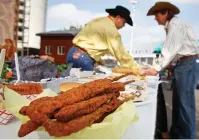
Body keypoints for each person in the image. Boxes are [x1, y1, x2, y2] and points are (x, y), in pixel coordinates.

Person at [146, 2, 199, 139]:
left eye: (156, 14)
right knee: (179, 104)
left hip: (187, 65)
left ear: (165, 13)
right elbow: (175, 51)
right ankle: (177, 135)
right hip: (183, 65)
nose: (155, 18)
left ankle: (187, 137)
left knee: (185, 105)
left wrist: (155, 68)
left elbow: (169, 50)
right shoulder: (174, 25)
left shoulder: (175, 25)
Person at [67, 5, 144, 75]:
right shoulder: (111, 30)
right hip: (83, 59)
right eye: (124, 22)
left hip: (73, 53)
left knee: (72, 82)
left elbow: (91, 44)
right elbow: (121, 54)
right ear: (118, 18)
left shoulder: (98, 20)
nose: (123, 26)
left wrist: (99, 60)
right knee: (86, 87)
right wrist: (138, 70)